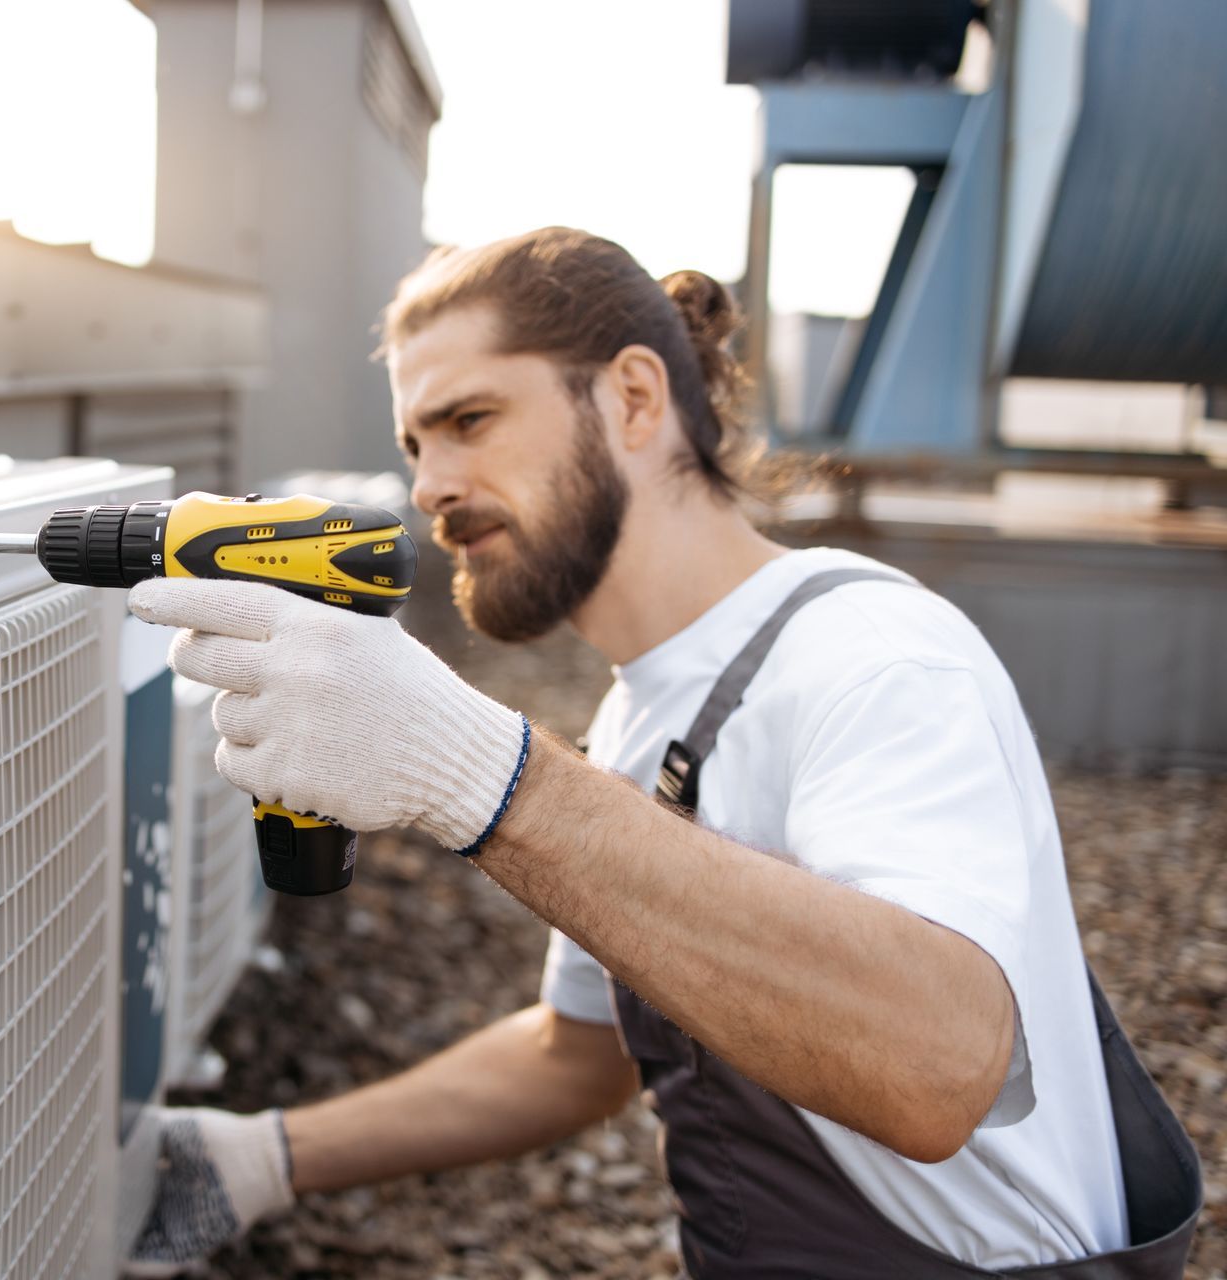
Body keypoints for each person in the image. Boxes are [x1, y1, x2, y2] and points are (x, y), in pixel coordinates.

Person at [123, 227, 1198, 1278]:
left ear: (634, 397)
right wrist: (263, 1157)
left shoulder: (869, 656)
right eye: (415, 444)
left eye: (470, 419)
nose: (431, 487)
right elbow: (575, 1054)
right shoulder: (642, 714)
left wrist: (478, 772)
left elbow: (941, 1062)